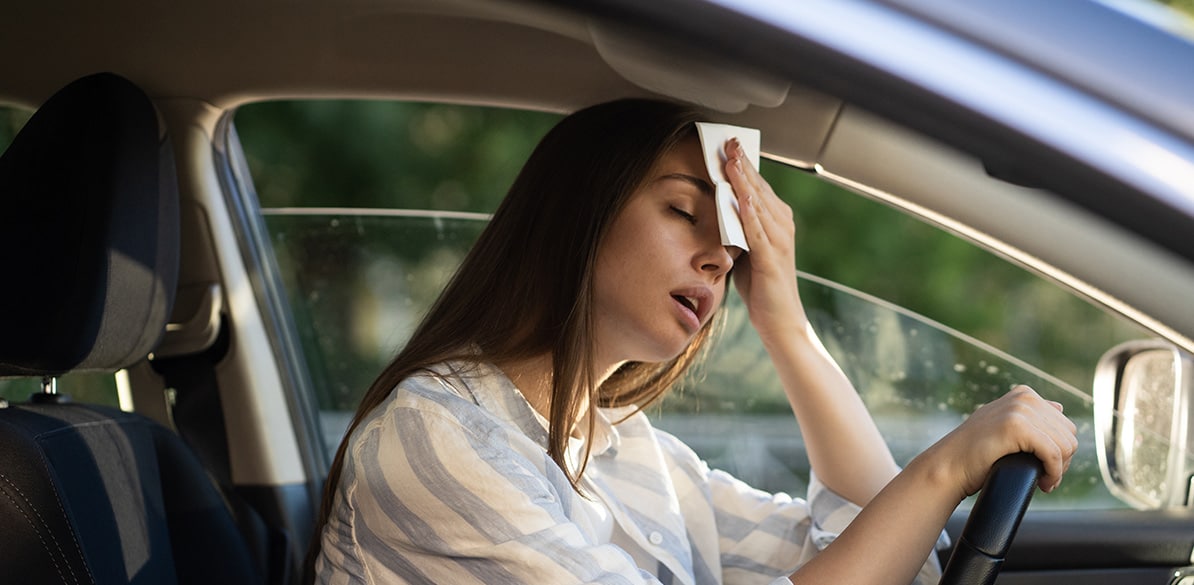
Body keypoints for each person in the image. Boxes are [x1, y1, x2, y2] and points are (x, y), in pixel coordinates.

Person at [308, 99, 1077, 585]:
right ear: (581, 212)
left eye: (735, 242)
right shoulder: (435, 437)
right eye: (684, 209)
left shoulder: (631, 455)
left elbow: (889, 557)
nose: (721, 252)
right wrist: (946, 464)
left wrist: (788, 324)